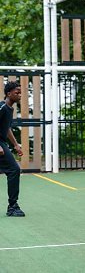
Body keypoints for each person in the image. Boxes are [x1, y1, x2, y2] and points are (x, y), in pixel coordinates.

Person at [0, 81, 25, 217]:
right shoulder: (2, 107)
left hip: (2, 142)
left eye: (20, 92)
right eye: (17, 92)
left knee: (13, 170)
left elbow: (6, 128)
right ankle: (13, 207)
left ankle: (13, 206)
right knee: (14, 169)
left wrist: (16, 144)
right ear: (9, 94)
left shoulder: (9, 108)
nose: (19, 95)